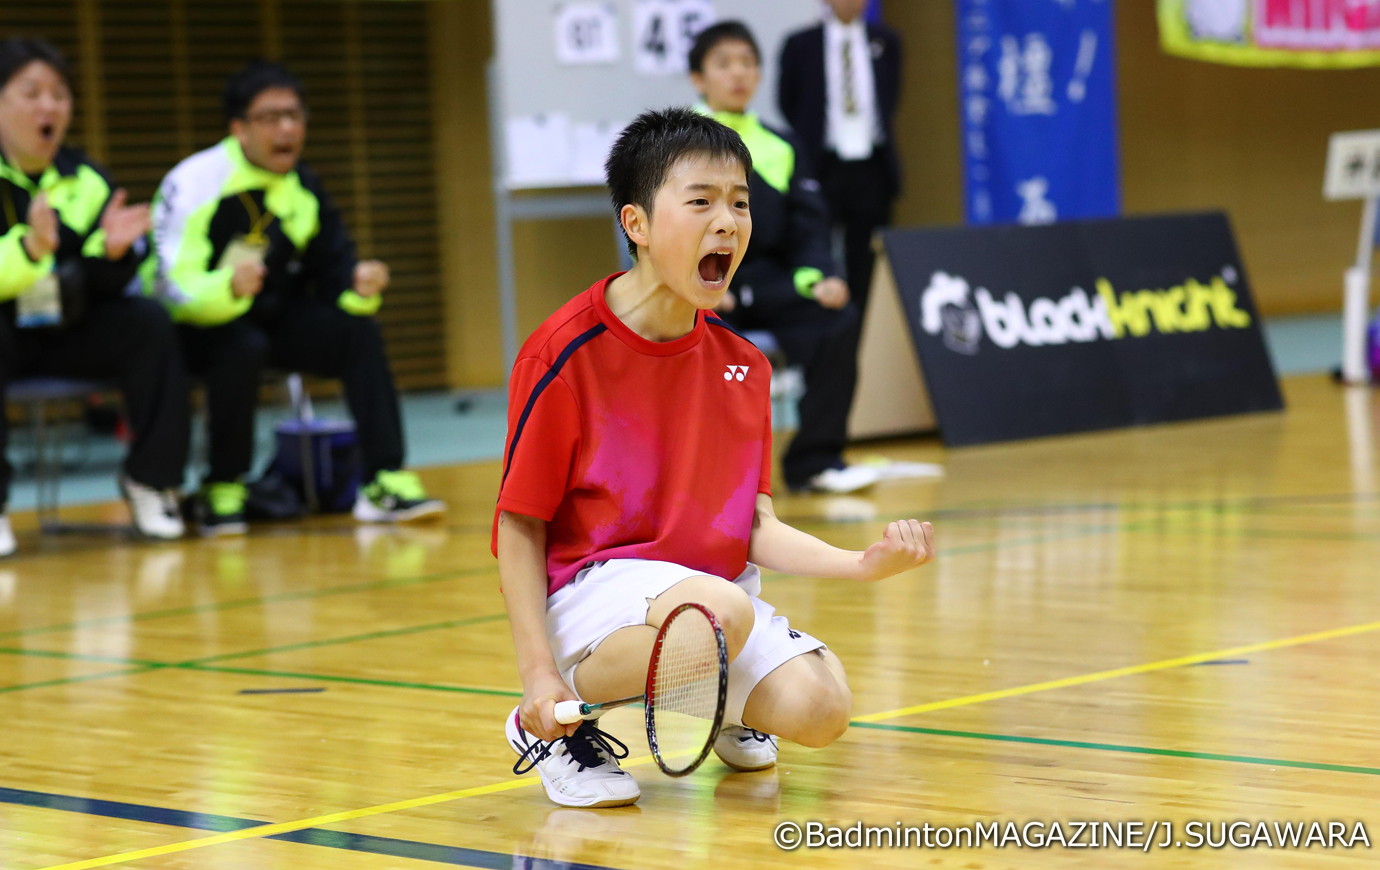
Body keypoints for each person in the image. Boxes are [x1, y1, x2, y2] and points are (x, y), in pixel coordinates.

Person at [494, 107, 935, 808]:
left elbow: (752, 525)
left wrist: (860, 564)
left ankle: (721, 697)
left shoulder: (742, 365)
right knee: (719, 612)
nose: (726, 222)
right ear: (636, 224)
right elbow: (518, 525)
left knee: (822, 711)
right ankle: (548, 725)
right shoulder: (563, 354)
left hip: (706, 601)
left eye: (739, 203)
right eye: (700, 202)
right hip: (593, 591)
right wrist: (537, 672)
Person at [143, 60, 442, 536]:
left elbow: (333, 266)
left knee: (356, 333)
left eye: (295, 115)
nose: (286, 129)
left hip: (271, 316)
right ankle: (223, 484)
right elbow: (169, 284)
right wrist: (225, 288)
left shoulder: (304, 188)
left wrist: (357, 284)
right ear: (238, 128)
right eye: (270, 117)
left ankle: (383, 478)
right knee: (241, 345)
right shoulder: (196, 180)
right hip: (193, 325)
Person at [0, 37, 190, 554]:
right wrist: (31, 249)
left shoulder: (87, 180)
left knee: (147, 321)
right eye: (32, 92)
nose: (49, 106)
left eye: (59, 94)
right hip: (5, 332)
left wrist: (112, 255)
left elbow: (105, 285)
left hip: (67, 326)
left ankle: (150, 481)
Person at [690, 21, 877, 494]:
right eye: (724, 63)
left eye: (748, 63)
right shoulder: (674, 143)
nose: (739, 74)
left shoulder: (780, 143)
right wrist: (704, 282)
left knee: (838, 320)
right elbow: (666, 227)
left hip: (770, 283)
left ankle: (814, 460)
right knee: (706, 341)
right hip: (701, 287)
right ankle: (711, 476)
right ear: (698, 78)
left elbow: (808, 226)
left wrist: (819, 279)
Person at [778, 0, 902, 317]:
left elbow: (891, 98)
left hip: (871, 164)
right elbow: (788, 101)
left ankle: (864, 330)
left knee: (867, 257)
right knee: (815, 248)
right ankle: (824, 327)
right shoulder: (801, 43)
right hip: (822, 164)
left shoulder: (886, 41)